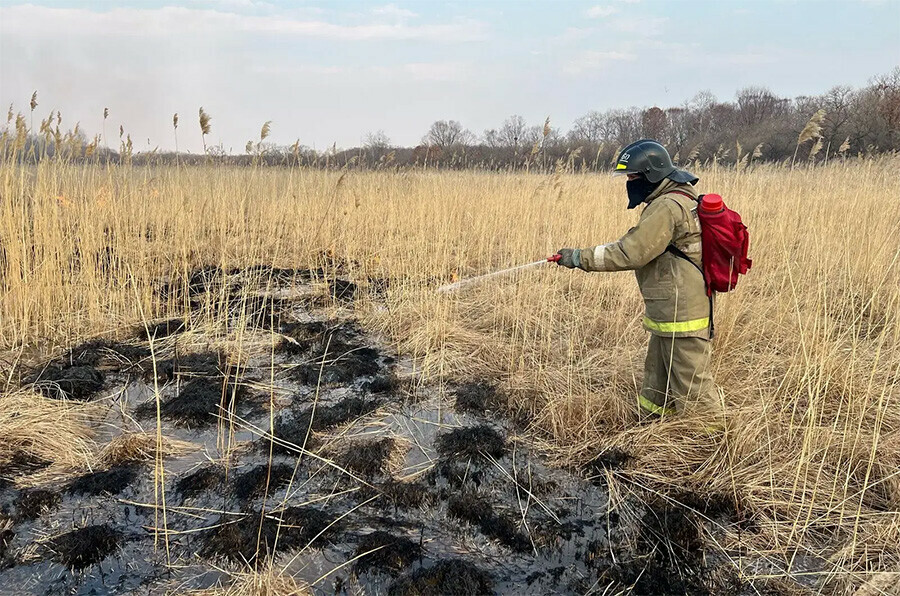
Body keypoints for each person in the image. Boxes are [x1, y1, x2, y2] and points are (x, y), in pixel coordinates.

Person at [556, 139, 720, 418]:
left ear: (652, 174)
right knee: (658, 378)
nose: (629, 182)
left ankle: (710, 443)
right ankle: (654, 427)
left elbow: (630, 253)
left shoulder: (667, 207)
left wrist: (578, 258)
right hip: (670, 309)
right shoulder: (676, 199)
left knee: (693, 387)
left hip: (683, 309)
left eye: (633, 176)